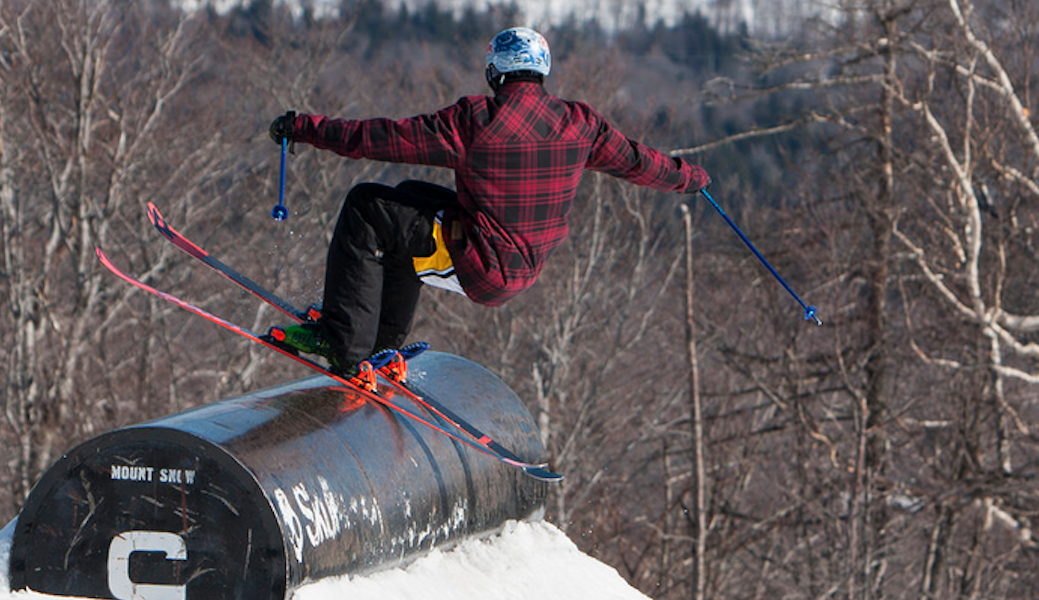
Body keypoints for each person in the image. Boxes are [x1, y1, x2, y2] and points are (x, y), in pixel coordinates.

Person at [267, 26, 710, 376]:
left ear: (495, 71)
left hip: (480, 261)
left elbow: (378, 139)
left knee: (367, 205)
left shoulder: (476, 120)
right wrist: (688, 177)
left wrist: (305, 127)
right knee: (407, 200)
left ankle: (345, 343)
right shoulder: (579, 123)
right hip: (520, 265)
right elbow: (637, 161)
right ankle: (380, 341)